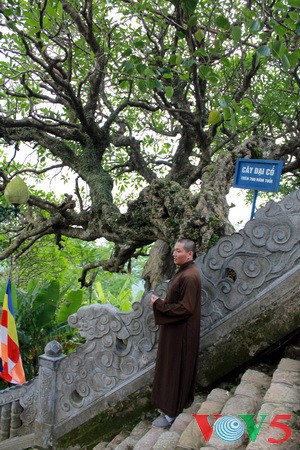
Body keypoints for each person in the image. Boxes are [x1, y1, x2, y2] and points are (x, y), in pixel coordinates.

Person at [151, 238, 202, 428]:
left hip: (181, 334)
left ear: (190, 254)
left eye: (179, 251)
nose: (174, 254)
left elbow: (186, 309)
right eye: (174, 250)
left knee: (175, 369)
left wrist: (159, 304)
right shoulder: (186, 272)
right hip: (177, 330)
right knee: (172, 368)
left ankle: (171, 414)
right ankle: (173, 409)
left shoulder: (189, 276)